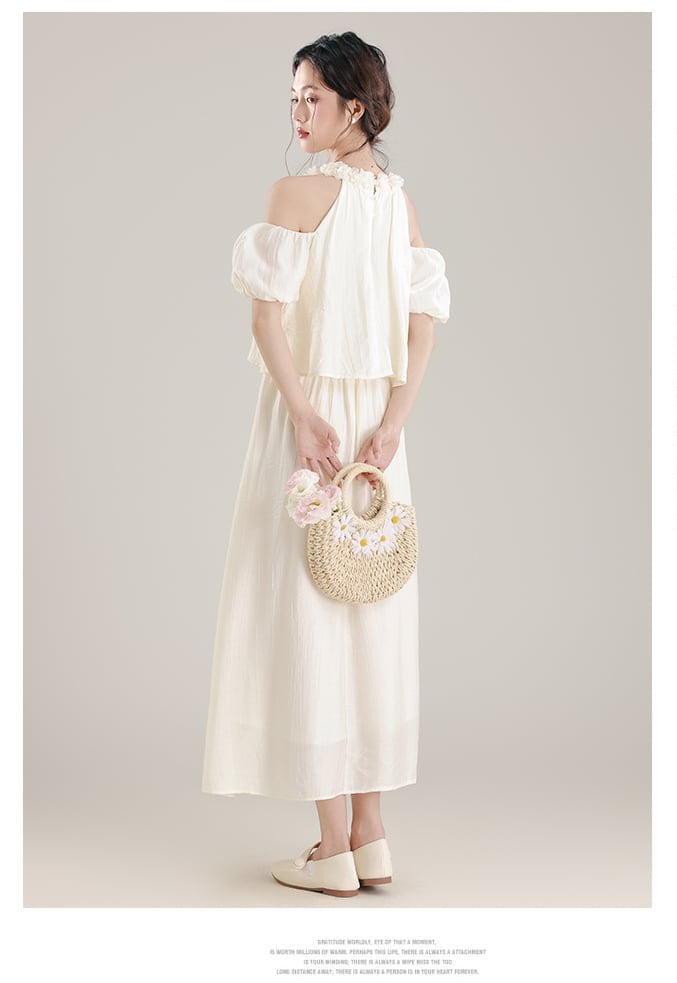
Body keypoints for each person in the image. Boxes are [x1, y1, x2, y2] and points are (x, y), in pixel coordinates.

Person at [201, 31, 451, 898]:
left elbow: (266, 319)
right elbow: (423, 327)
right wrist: (393, 425)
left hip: (310, 422)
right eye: (294, 97)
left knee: (311, 612)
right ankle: (370, 837)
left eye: (311, 96)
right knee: (368, 611)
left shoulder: (297, 194)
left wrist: (307, 418)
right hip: (378, 437)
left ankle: (335, 846)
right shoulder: (399, 205)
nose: (297, 112)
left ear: (355, 106)